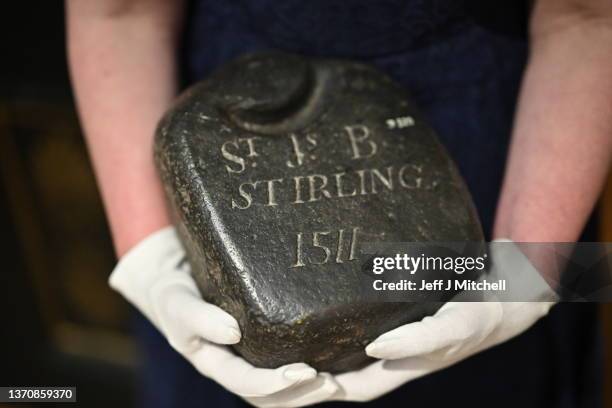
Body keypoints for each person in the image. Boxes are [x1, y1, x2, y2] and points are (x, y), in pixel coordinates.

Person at [66, 0, 612, 407]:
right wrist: (147, 249)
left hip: (513, 149)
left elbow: (590, 18)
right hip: (213, 121)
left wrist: (527, 277)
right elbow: (118, 11)